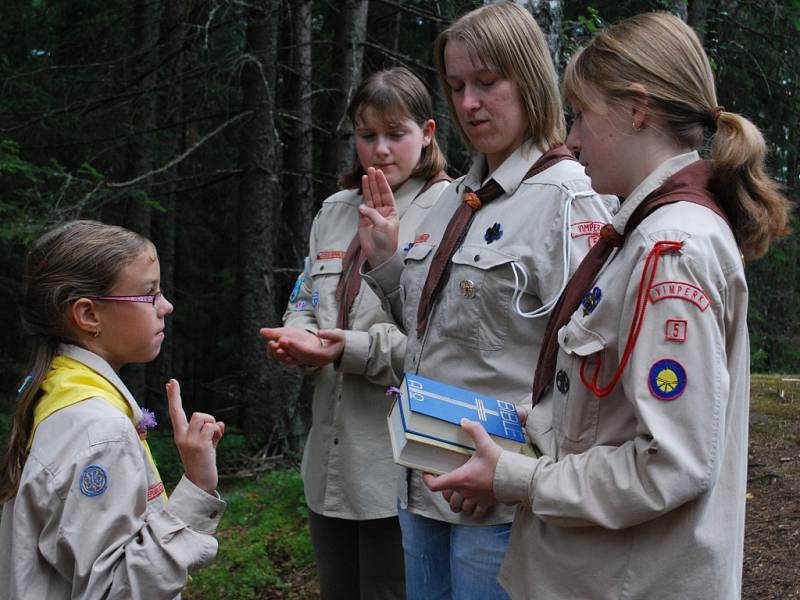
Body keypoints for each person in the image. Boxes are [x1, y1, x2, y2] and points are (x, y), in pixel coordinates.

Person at [424, 12, 793, 600]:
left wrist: (518, 477)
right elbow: (611, 411)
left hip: (625, 581)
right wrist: (526, 431)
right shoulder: (646, 233)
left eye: (581, 114)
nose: (570, 139)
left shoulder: (670, 250)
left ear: (636, 110)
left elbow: (670, 464)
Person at [356, 4, 616, 599]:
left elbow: (590, 369)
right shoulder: (454, 199)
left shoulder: (569, 199)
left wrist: (519, 467)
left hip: (498, 503)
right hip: (423, 483)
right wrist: (388, 265)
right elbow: (437, 332)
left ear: (528, 77)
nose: (468, 103)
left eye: (486, 82)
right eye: (455, 86)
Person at [260, 67, 450, 600]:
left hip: (399, 464)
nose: (381, 150)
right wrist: (296, 339)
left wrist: (349, 350)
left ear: (428, 132)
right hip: (330, 458)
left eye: (396, 134)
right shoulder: (334, 210)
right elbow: (304, 296)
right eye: (367, 136)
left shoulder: (451, 211)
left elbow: (439, 344)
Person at [0, 220, 226, 599]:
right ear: (88, 315)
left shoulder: (57, 391)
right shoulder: (99, 432)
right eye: (149, 294)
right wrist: (197, 489)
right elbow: (114, 591)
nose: (166, 306)